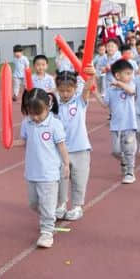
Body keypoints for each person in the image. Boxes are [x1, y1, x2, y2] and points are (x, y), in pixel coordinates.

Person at [15, 88, 69, 248]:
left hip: (49, 173)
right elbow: (23, 141)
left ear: (48, 107)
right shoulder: (27, 123)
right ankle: (50, 214)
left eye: (38, 113)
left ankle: (47, 232)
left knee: (46, 204)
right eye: (32, 113)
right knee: (33, 203)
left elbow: (62, 146)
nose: (35, 117)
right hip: (32, 172)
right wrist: (10, 142)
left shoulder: (55, 124)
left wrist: (66, 164)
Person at [55, 68, 96, 220]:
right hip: (61, 150)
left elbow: (87, 89)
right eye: (62, 90)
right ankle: (61, 205)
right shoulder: (55, 105)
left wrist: (91, 76)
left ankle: (77, 206)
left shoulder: (80, 101)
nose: (65, 94)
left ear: (75, 89)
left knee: (79, 178)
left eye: (69, 90)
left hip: (80, 148)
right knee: (61, 178)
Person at [107, 58, 139, 184]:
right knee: (116, 151)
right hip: (115, 126)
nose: (130, 76)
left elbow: (131, 91)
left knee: (128, 150)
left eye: (131, 73)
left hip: (129, 124)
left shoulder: (131, 85)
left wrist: (120, 84)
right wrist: (95, 92)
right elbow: (105, 104)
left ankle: (130, 172)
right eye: (127, 74)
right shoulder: (110, 90)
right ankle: (123, 161)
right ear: (117, 75)